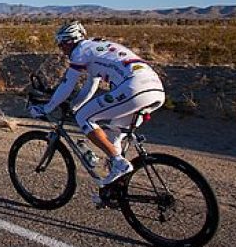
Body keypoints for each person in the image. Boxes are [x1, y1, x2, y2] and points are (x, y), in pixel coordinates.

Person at [28, 21, 165, 187]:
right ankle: (114, 188)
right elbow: (90, 86)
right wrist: (74, 106)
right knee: (113, 137)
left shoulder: (80, 51)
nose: (60, 48)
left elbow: (67, 85)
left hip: (134, 87)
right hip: (155, 88)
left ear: (71, 41)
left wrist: (46, 108)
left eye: (61, 43)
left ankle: (119, 164)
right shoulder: (96, 48)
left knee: (84, 117)